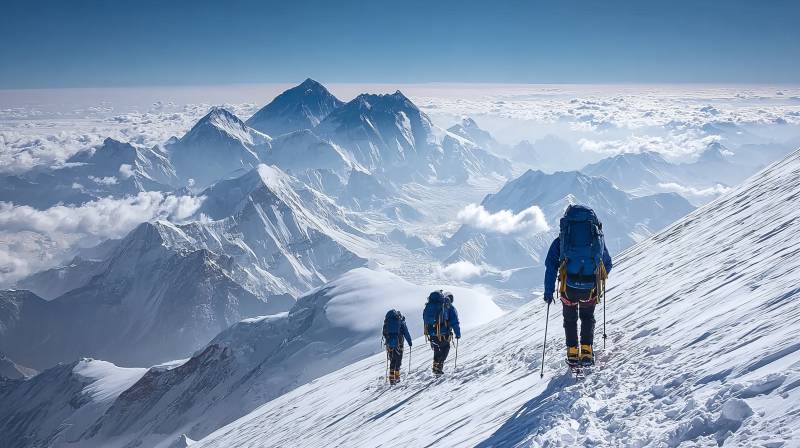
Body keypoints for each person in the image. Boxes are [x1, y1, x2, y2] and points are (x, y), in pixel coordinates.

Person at [543, 205, 612, 367]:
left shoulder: (561, 241)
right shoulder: (598, 239)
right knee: (587, 317)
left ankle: (573, 352)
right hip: (590, 288)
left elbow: (551, 266)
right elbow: (607, 263)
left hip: (569, 288)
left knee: (570, 318)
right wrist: (596, 278)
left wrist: (548, 292)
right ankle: (587, 350)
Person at [423, 290, 461, 376]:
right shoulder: (449, 307)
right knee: (445, 348)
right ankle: (438, 368)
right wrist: (457, 333)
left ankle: (436, 367)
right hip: (443, 333)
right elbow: (454, 322)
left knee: (437, 349)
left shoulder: (432, 305)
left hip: (432, 333)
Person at [383, 309, 413, 385]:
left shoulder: (387, 322)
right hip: (399, 344)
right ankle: (397, 377)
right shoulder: (401, 321)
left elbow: (384, 333)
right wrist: (409, 342)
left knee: (392, 360)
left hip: (389, 344)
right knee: (398, 360)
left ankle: (391, 378)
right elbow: (406, 332)